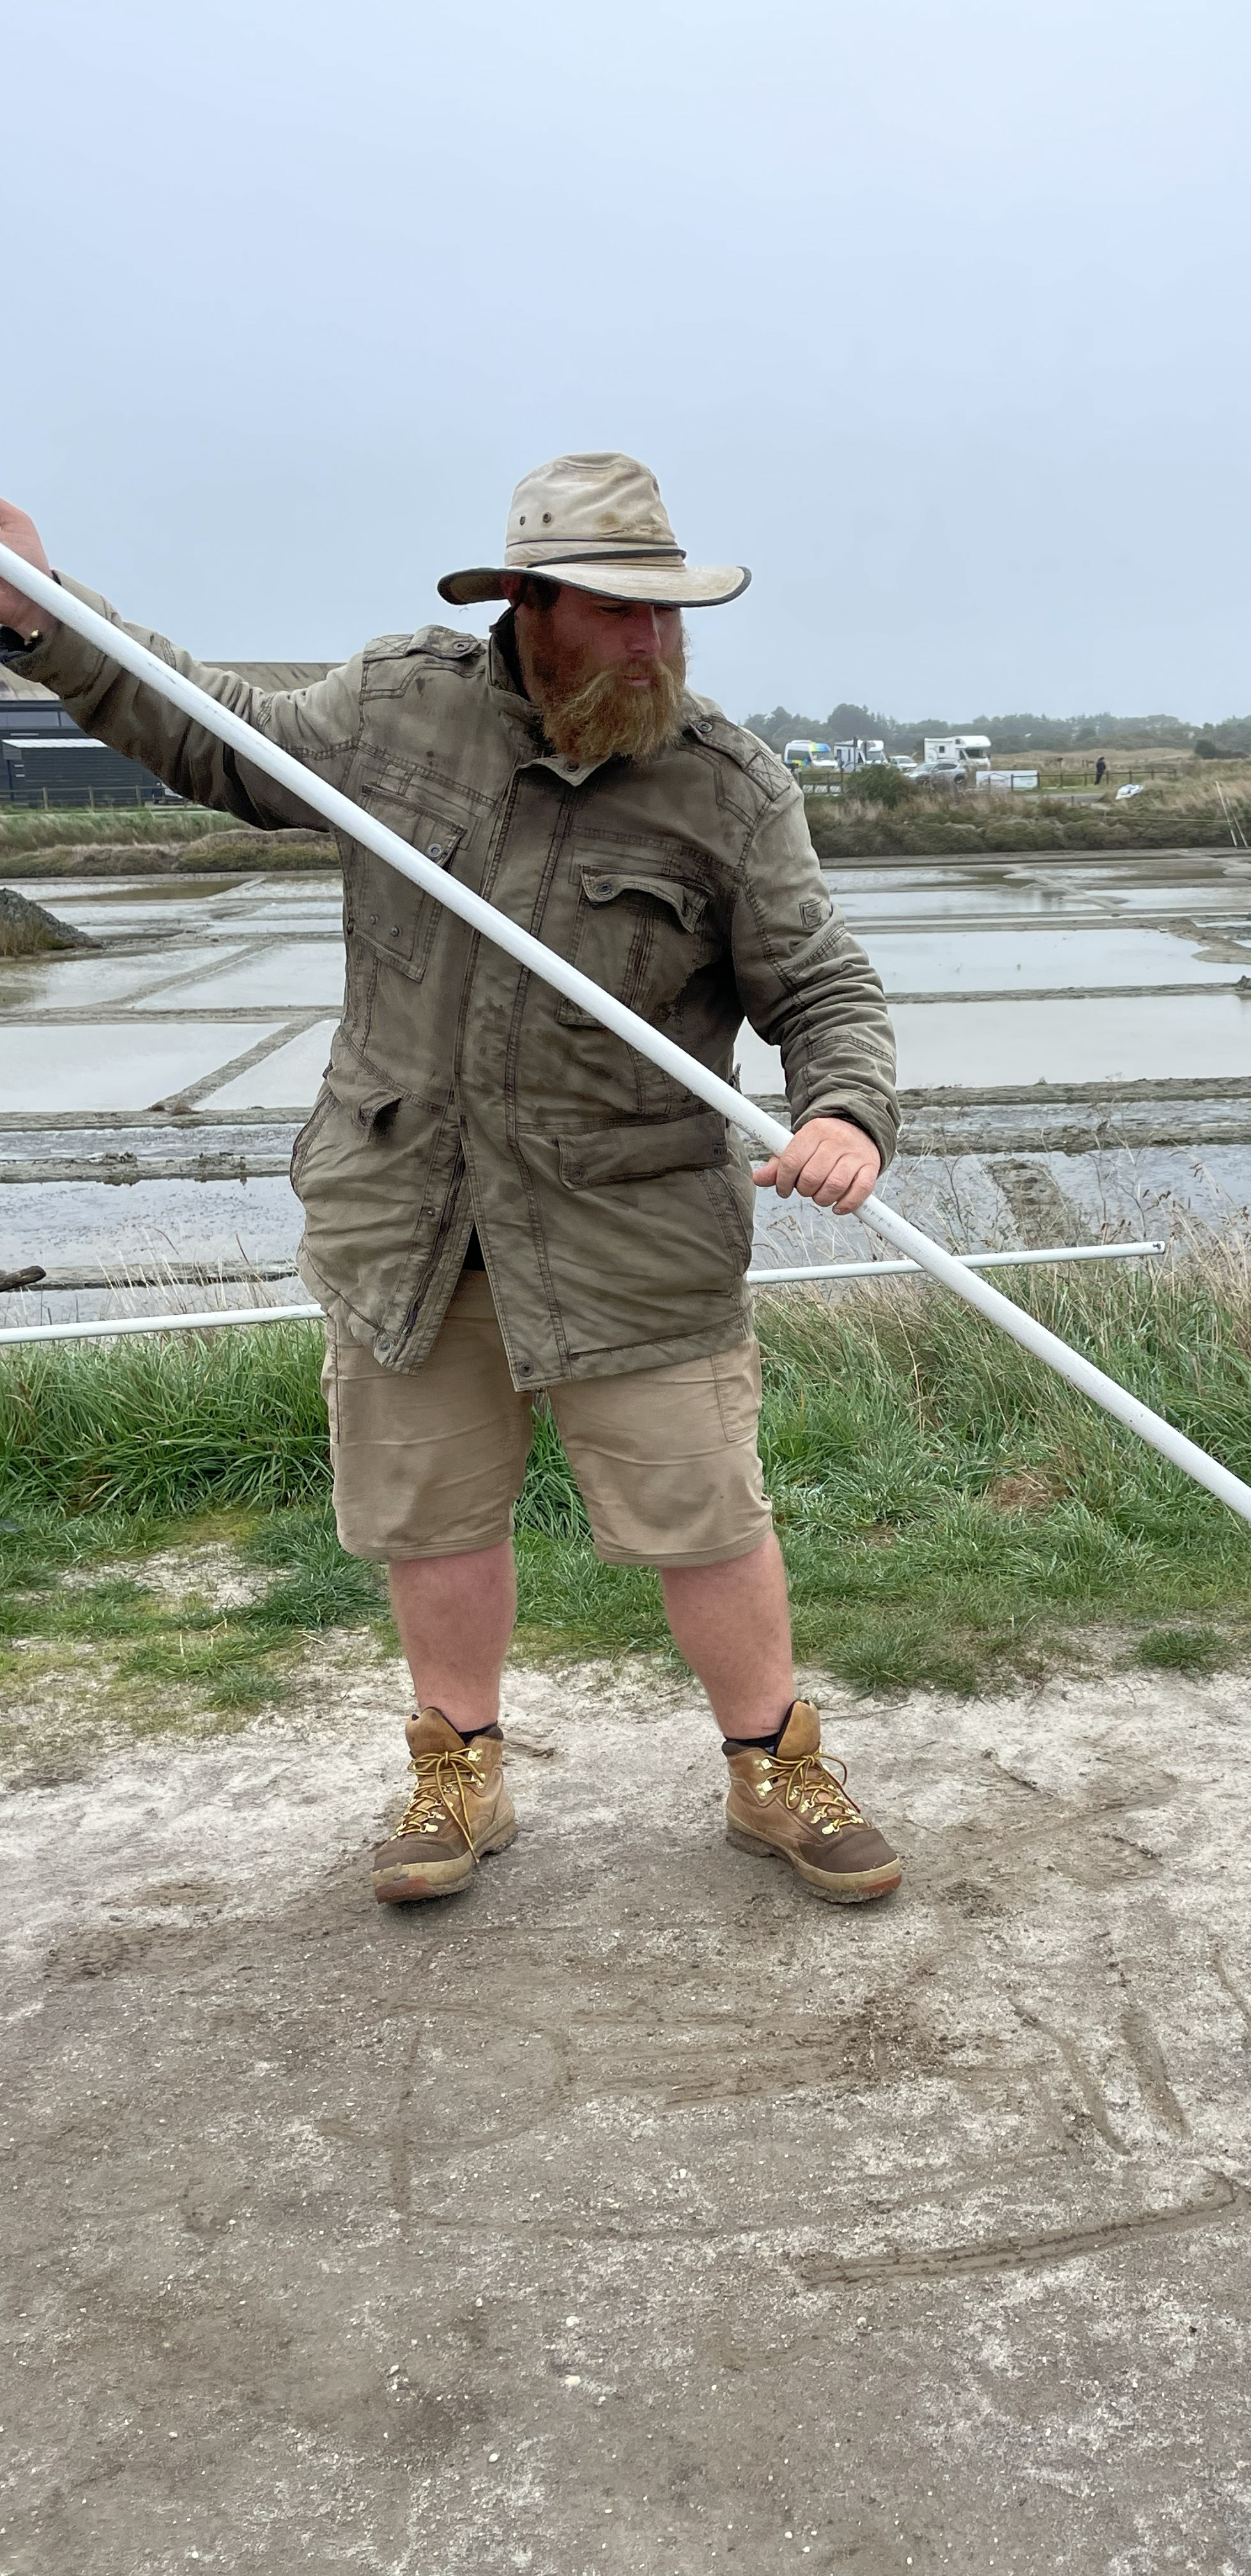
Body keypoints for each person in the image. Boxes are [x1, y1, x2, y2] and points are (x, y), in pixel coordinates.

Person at [0, 454, 905, 1909]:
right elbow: (217, 736)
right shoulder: (395, 708)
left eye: (669, 617)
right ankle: (460, 1769)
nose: (651, 645)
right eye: (620, 615)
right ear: (531, 605)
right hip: (406, 1212)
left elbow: (826, 986)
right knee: (432, 1514)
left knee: (706, 1517)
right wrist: (41, 621)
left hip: (632, 1228)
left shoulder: (727, 787)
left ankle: (772, 1763)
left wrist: (847, 1112)